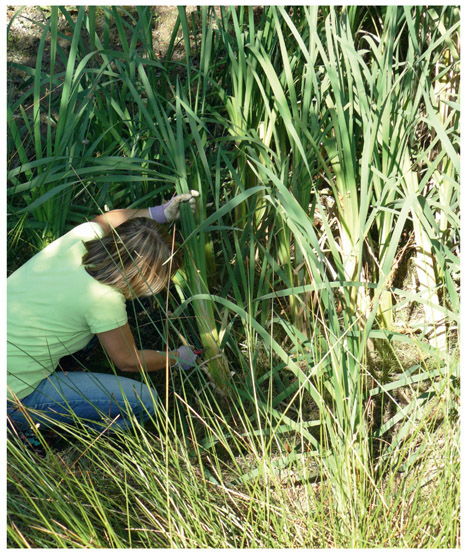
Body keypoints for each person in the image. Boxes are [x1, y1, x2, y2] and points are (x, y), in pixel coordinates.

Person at [7, 191, 200, 434]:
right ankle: (46, 435)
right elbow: (128, 361)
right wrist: (176, 358)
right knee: (144, 400)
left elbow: (107, 220)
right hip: (13, 396)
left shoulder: (81, 239)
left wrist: (160, 213)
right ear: (147, 276)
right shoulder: (104, 300)